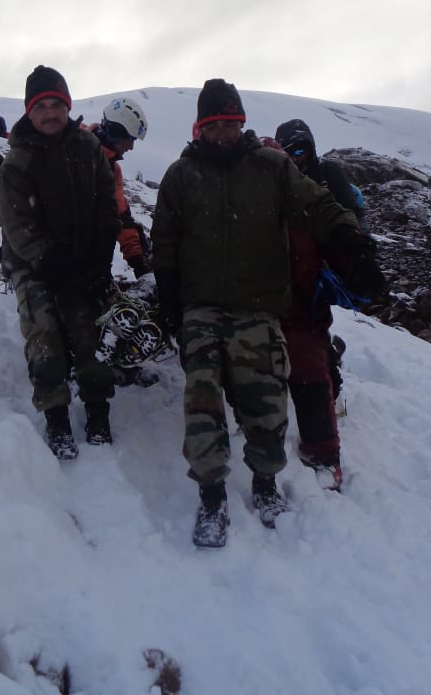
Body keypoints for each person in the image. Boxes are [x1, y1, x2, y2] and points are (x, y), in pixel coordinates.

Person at [152, 79, 384, 547]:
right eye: (214, 125)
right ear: (199, 128)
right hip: (200, 307)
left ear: (242, 122)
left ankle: (265, 483)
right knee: (202, 402)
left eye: (231, 123)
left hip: (258, 308)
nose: (224, 133)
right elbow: (165, 241)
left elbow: (317, 207)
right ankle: (212, 494)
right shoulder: (180, 176)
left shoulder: (272, 169)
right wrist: (169, 296)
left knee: (266, 405)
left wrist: (350, 242)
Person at [0, 66, 121, 460]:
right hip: (35, 263)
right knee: (45, 335)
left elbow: (106, 204)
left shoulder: (87, 149)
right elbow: (20, 228)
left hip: (83, 258)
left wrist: (100, 260)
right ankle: (56, 416)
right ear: (29, 112)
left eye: (57, 105)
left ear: (67, 107)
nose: (50, 113)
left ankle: (98, 410)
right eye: (41, 106)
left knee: (91, 332)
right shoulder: (17, 163)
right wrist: (56, 266)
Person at [274, 118, 368, 404]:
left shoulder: (328, 173)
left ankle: (327, 380)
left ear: (311, 149)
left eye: (301, 151)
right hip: (288, 263)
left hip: (320, 264)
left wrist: (348, 257)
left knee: (312, 322)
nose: (295, 158)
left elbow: (348, 216)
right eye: (288, 152)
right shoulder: (277, 176)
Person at [85, 98, 152, 278]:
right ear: (114, 132)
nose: (130, 147)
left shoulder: (113, 170)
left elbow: (121, 217)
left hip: (91, 267)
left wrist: (138, 261)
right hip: (55, 259)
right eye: (129, 139)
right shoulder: (73, 150)